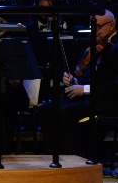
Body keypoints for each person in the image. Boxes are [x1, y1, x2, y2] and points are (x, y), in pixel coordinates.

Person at [41, 10, 118, 155]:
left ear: (111, 25)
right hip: (92, 97)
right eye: (92, 26)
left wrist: (83, 89)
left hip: (108, 101)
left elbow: (114, 86)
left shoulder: (115, 47)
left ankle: (72, 158)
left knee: (66, 111)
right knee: (46, 110)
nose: (95, 31)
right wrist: (75, 81)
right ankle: (53, 155)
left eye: (98, 26)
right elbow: (88, 77)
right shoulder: (98, 46)